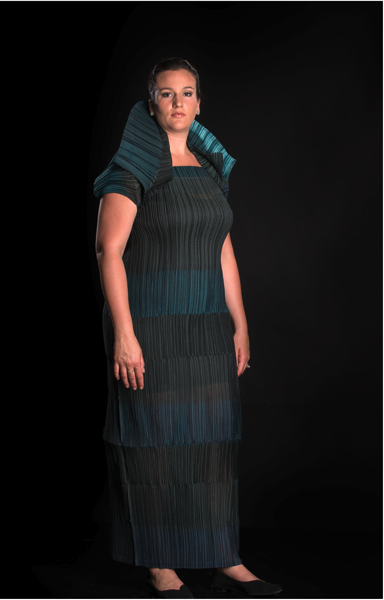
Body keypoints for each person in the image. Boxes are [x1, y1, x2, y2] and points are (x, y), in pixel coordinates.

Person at [94, 57, 283, 599]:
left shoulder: (208, 166)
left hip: (205, 327)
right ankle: (160, 564)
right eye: (166, 93)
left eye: (187, 93)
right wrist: (124, 335)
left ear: (199, 103)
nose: (178, 102)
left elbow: (222, 249)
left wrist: (240, 323)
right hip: (150, 327)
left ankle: (222, 555)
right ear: (151, 102)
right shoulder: (131, 168)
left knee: (211, 443)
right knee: (152, 444)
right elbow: (108, 251)